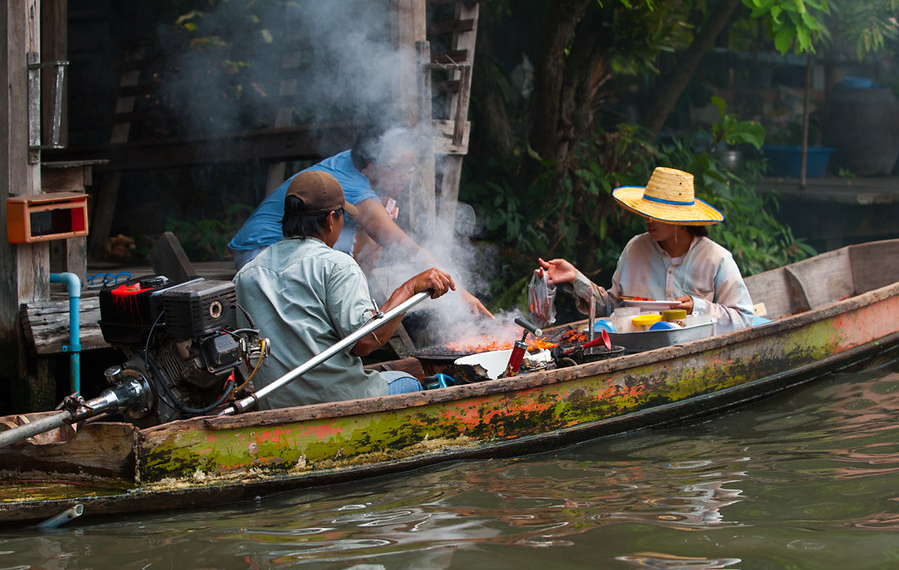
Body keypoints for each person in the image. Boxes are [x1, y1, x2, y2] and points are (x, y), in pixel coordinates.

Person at [234, 170, 456, 410]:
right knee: (409, 382)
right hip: (338, 404)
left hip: (274, 405)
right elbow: (365, 341)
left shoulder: (246, 275)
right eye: (342, 218)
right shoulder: (336, 265)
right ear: (331, 219)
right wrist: (409, 288)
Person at [228, 123, 491, 317]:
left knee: (381, 219)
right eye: (397, 169)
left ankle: (355, 302)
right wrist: (461, 293)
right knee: (381, 227)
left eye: (410, 168)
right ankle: (352, 310)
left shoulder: (351, 163)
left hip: (285, 255)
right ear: (371, 163)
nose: (405, 176)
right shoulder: (355, 187)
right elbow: (402, 245)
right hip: (262, 257)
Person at [537, 166, 756, 334]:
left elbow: (744, 319)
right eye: (647, 212)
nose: (649, 220)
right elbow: (613, 308)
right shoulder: (635, 248)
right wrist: (575, 278)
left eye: (657, 214)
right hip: (637, 351)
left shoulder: (717, 259)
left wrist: (697, 308)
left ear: (680, 219)